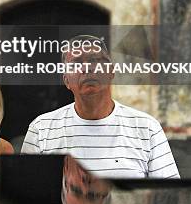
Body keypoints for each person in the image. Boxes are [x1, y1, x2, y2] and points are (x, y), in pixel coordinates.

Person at [21, 35, 180, 179]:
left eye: (94, 61)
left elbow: (168, 196)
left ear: (111, 71)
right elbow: (26, 194)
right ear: (66, 81)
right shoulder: (41, 129)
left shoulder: (147, 127)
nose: (88, 68)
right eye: (76, 63)